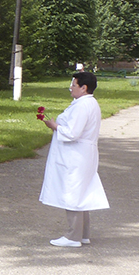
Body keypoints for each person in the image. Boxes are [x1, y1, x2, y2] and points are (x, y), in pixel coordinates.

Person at [39, 72, 109, 248]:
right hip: (83, 153)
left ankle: (73, 236)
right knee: (81, 192)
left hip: (76, 155)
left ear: (84, 88)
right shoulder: (88, 103)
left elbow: (72, 133)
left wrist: (54, 126)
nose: (70, 88)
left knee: (73, 192)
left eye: (74, 85)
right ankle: (83, 234)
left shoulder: (82, 106)